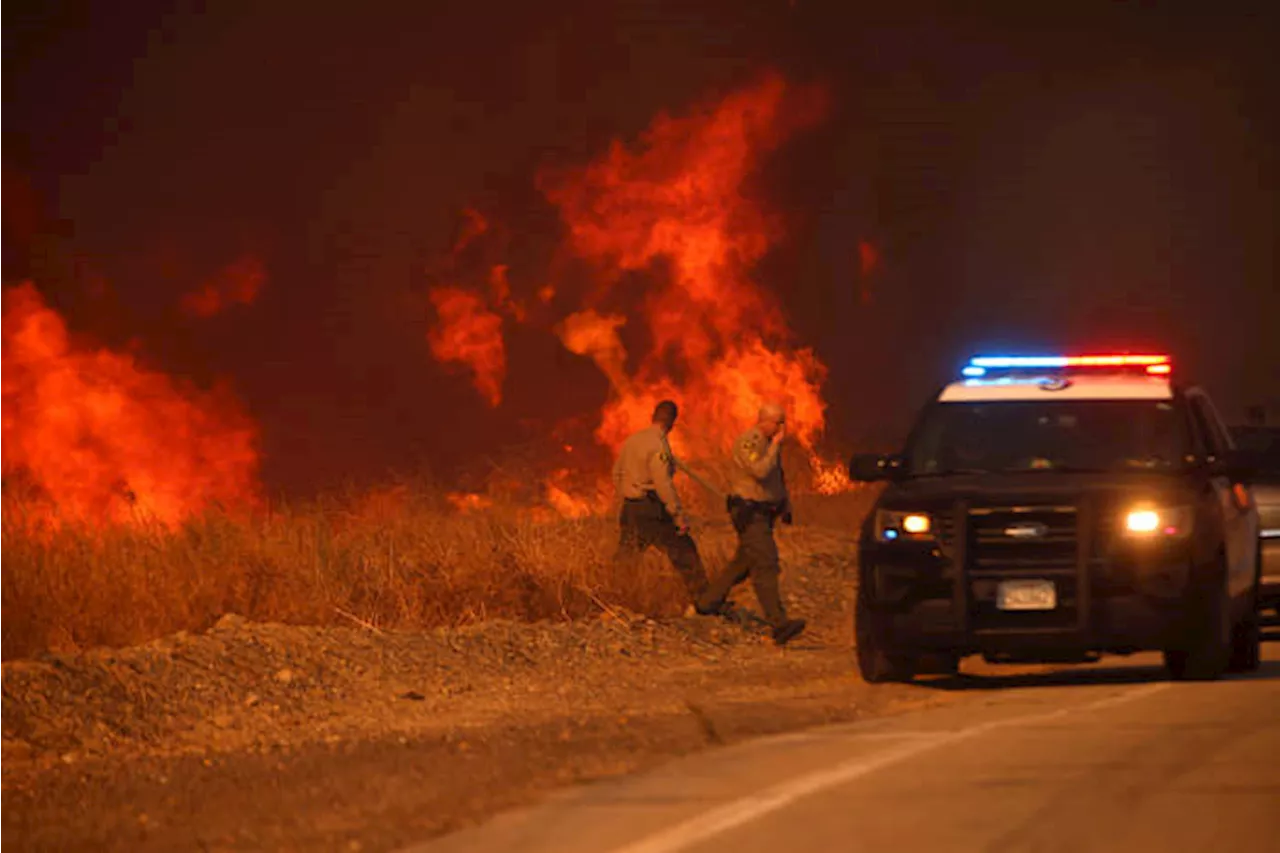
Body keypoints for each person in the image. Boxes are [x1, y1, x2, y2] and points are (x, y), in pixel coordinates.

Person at [697, 402, 806, 645]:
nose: (781, 428)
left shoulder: (767, 446)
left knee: (744, 561)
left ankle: (708, 601)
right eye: (778, 422)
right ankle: (779, 623)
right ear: (764, 421)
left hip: (765, 512)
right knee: (765, 561)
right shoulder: (750, 442)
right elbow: (760, 471)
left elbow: (775, 480)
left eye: (783, 422)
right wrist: (775, 447)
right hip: (749, 512)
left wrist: (784, 506)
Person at [612, 400, 714, 609]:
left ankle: (616, 600)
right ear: (672, 423)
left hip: (630, 507)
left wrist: (629, 492)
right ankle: (705, 601)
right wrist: (677, 514)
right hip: (651, 508)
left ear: (653, 416)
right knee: (684, 550)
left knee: (627, 557)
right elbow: (663, 483)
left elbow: (616, 472)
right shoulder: (659, 445)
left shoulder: (632, 440)